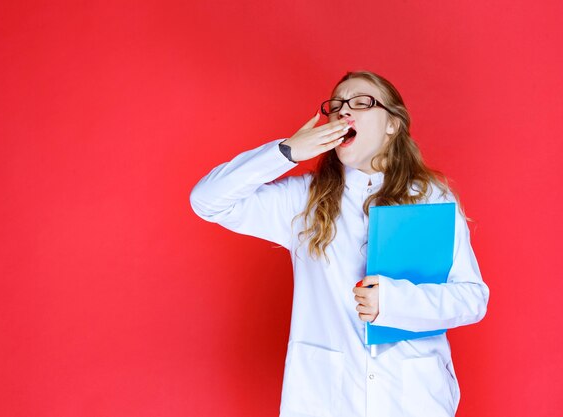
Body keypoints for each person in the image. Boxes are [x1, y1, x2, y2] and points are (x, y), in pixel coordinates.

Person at [189, 70, 489, 417]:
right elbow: (207, 200)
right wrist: (285, 152)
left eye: (362, 102)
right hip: (327, 398)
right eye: (337, 105)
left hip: (413, 397)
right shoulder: (304, 200)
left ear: (393, 124)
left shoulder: (431, 199)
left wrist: (395, 301)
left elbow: (472, 299)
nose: (344, 111)